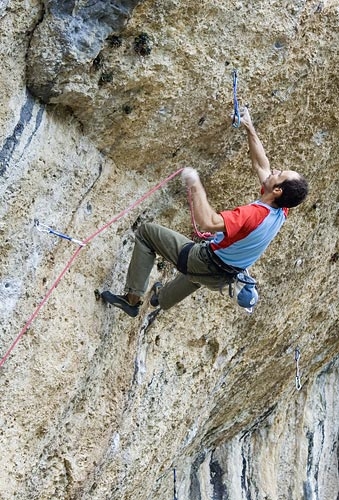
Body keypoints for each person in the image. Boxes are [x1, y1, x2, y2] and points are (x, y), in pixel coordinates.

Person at [100, 107, 309, 317]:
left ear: (277, 190)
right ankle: (160, 299)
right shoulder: (281, 209)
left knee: (147, 234)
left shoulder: (253, 214)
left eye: (280, 173)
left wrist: (194, 183)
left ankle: (131, 300)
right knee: (197, 276)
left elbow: (208, 222)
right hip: (224, 275)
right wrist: (249, 126)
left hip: (205, 261)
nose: (274, 170)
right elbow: (261, 164)